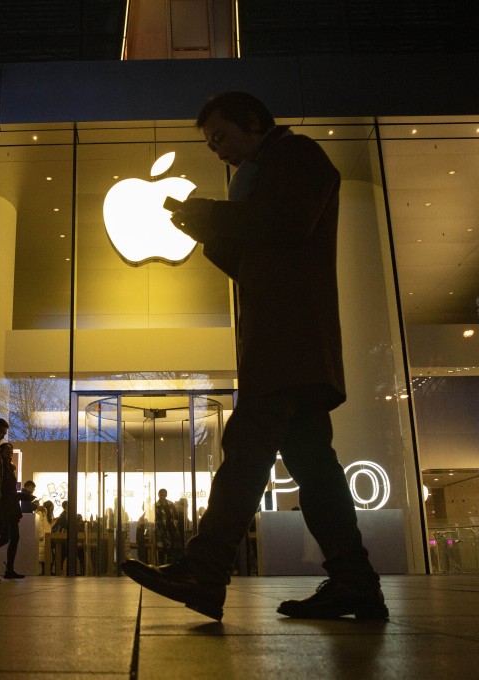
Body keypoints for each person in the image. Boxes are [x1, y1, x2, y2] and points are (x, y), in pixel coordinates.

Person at [121, 92, 386, 622]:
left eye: (220, 137)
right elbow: (259, 254)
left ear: (252, 122)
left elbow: (287, 223)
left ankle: (206, 568)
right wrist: (207, 227)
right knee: (314, 465)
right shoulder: (279, 168)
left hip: (287, 338)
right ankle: (354, 581)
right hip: (291, 339)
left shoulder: (298, 157)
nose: (217, 150)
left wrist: (215, 217)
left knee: (248, 449)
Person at [0, 442, 25, 579]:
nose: (10, 453)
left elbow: (9, 490)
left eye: (11, 451)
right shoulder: (2, 467)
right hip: (6, 506)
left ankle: (9, 568)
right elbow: (6, 490)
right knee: (6, 537)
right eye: (8, 450)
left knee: (11, 537)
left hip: (10, 506)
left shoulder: (8, 467)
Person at [153, 489, 179, 565]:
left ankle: (169, 563)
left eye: (164, 495)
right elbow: (154, 517)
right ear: (158, 495)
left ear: (166, 495)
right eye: (161, 495)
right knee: (161, 547)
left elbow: (176, 514)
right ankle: (161, 564)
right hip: (161, 529)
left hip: (170, 527)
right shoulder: (156, 506)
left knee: (171, 546)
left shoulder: (170, 504)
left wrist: (175, 523)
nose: (162, 497)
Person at [35, 500, 55, 575]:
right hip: (43, 538)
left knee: (45, 555)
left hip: (46, 537)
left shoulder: (46, 514)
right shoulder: (41, 513)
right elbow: (40, 525)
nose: (52, 509)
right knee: (43, 556)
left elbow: (47, 526)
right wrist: (41, 535)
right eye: (52, 508)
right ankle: (43, 572)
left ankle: (45, 571)